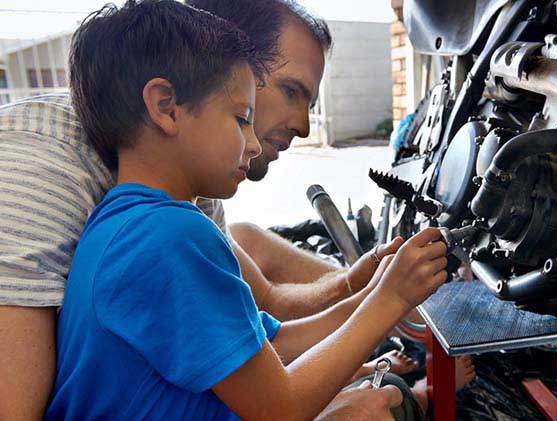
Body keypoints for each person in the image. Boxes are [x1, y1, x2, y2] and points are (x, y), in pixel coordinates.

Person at [45, 1, 447, 419]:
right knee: (374, 408)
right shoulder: (170, 236)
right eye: (240, 118)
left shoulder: (124, 223)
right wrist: (390, 297)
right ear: (166, 107)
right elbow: (281, 408)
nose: (252, 143)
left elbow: (275, 343)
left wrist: (374, 294)